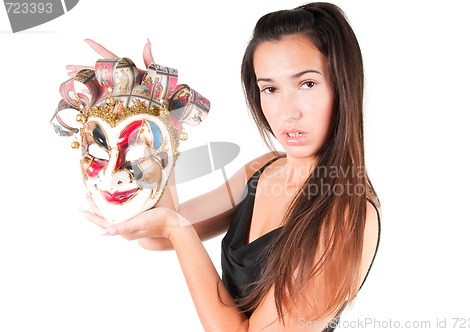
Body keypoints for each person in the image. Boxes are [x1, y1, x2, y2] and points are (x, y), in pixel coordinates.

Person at [79, 2, 381, 331]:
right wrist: (155, 118)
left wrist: (177, 231)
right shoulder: (262, 170)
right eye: (270, 88)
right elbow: (155, 235)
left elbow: (173, 230)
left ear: (343, 84)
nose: (286, 112)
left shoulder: (350, 215)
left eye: (307, 84)